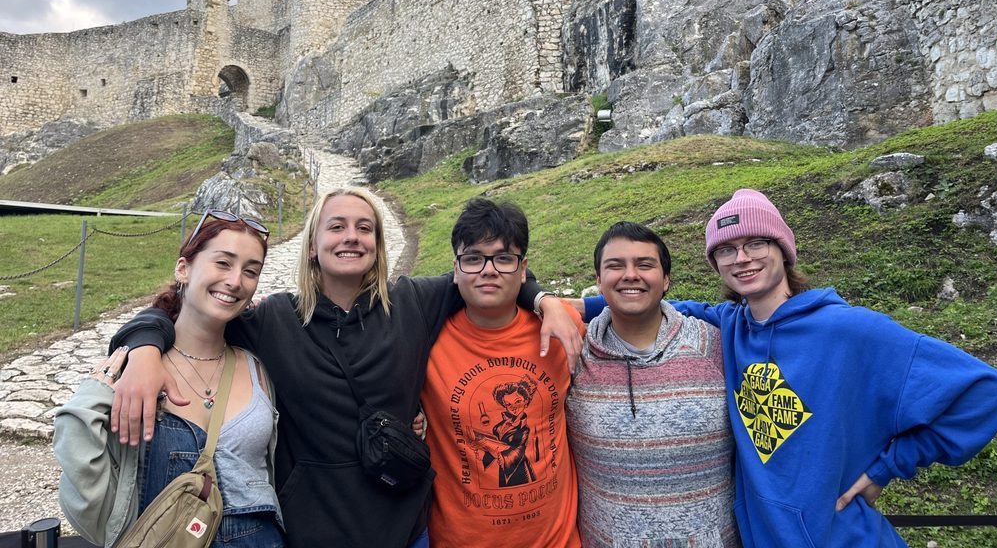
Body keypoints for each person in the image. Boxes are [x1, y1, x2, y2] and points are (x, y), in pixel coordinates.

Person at [107, 187, 583, 548]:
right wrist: (145, 346)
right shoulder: (273, 320)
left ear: (378, 243)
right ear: (313, 244)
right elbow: (186, 311)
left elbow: (487, 272)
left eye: (364, 228)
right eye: (337, 227)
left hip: (405, 521)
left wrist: (544, 299)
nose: (351, 237)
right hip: (314, 524)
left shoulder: (414, 302)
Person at [583, 189, 997, 547]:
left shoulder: (850, 330)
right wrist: (553, 304)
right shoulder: (728, 326)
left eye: (756, 243)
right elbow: (643, 297)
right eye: (727, 249)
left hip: (839, 536)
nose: (742, 258)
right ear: (715, 263)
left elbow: (986, 393)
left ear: (783, 250)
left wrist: (887, 468)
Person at [54, 210, 285, 548]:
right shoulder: (133, 363)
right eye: (223, 263)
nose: (236, 281)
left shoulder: (256, 367)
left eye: (250, 271)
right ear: (184, 268)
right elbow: (77, 444)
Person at [419, 197, 584, 547]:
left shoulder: (559, 326)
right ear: (456, 269)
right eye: (474, 258)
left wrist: (547, 300)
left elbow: (625, 312)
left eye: (504, 259)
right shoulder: (427, 342)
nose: (489, 270)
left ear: (523, 270)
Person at [566, 221, 738, 547]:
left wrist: (868, 469)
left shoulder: (715, 345)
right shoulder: (573, 355)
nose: (631, 274)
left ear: (666, 280)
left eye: (645, 264)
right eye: (616, 265)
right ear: (599, 282)